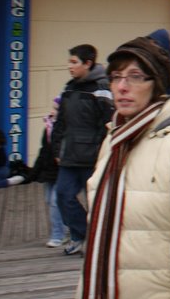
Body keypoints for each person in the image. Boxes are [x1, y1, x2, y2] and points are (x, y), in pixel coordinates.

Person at [80, 36, 170, 299]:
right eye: (116, 76)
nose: (121, 86)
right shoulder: (114, 139)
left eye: (135, 76)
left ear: (156, 84)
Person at [53, 44, 112, 256]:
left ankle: (95, 242)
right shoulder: (69, 88)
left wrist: (99, 150)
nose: (69, 66)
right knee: (63, 195)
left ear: (88, 64)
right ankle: (82, 234)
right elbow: (60, 122)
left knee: (96, 201)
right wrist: (57, 149)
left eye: (74, 62)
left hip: (93, 157)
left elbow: (107, 123)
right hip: (69, 156)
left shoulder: (102, 87)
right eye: (69, 62)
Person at [29, 96, 68, 246]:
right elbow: (44, 150)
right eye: (53, 108)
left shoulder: (67, 127)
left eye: (57, 109)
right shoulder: (48, 127)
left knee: (55, 201)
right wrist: (35, 170)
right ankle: (68, 227)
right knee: (50, 199)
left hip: (63, 169)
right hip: (49, 169)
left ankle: (57, 235)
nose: (53, 111)